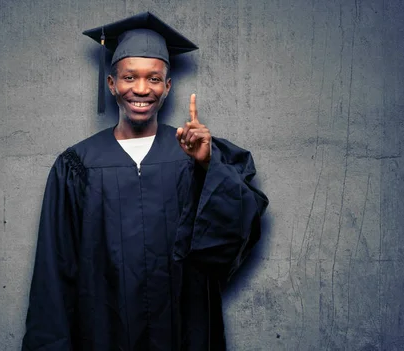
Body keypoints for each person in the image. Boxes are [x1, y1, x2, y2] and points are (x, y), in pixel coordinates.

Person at [22, 12, 269, 351]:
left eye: (154, 79)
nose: (141, 89)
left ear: (167, 86)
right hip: (102, 332)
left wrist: (207, 167)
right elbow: (54, 268)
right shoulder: (77, 165)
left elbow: (237, 230)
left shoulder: (194, 154)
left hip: (182, 329)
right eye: (129, 77)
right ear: (112, 84)